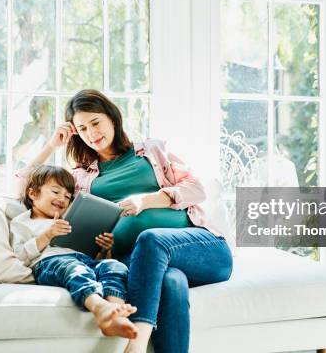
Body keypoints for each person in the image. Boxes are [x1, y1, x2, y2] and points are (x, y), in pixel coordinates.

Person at [17, 89, 233, 353]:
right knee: (171, 282)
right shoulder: (80, 178)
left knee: (152, 238)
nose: (91, 133)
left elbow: (196, 189)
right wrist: (52, 145)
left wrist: (147, 201)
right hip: (139, 261)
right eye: (82, 129)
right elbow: (23, 187)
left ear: (112, 117)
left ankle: (136, 346)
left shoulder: (153, 150)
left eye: (95, 123)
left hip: (201, 248)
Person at [10, 164, 138, 340]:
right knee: (74, 268)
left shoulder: (69, 221)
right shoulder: (23, 222)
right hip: (51, 262)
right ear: (33, 194)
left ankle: (116, 313)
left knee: (114, 265)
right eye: (55, 192)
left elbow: (89, 256)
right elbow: (20, 255)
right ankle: (99, 307)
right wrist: (47, 235)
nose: (62, 198)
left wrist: (104, 250)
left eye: (68, 196)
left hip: (82, 260)